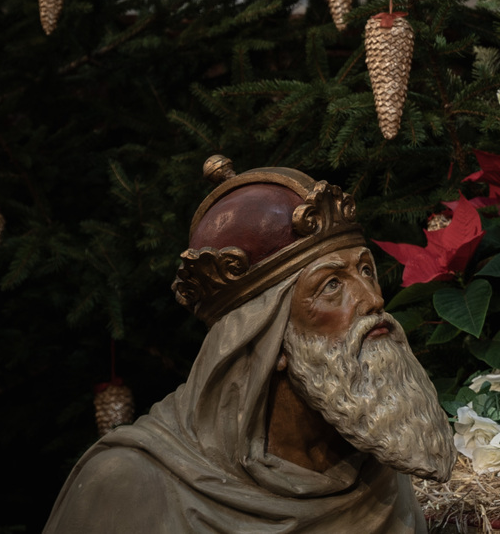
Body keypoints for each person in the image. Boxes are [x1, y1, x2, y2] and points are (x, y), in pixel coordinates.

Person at [44, 159, 451, 534]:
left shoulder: (379, 461)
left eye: (366, 271)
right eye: (332, 286)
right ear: (267, 339)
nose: (374, 299)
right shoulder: (129, 484)